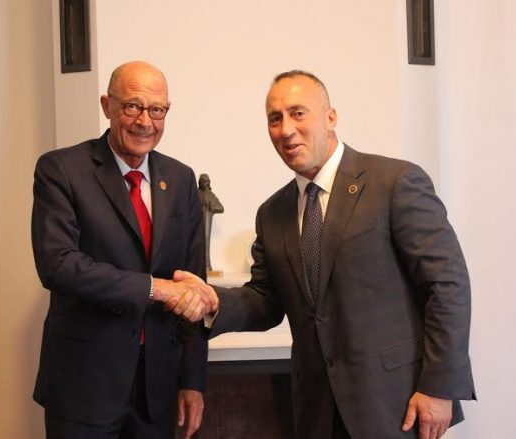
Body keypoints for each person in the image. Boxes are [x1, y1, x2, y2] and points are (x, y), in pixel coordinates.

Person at [177, 70, 475, 438]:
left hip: (394, 405)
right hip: (317, 411)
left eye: (298, 113)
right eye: (275, 119)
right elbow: (266, 301)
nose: (286, 129)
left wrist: (439, 387)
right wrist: (213, 302)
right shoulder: (272, 213)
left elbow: (447, 285)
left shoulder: (394, 182)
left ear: (330, 116)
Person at [31, 60, 217, 439]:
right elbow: (58, 265)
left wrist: (192, 380)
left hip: (158, 389)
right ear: (107, 106)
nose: (145, 121)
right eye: (133, 106)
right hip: (84, 386)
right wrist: (154, 288)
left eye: (157, 110)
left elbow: (192, 284)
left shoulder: (180, 179)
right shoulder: (62, 170)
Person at [197, 174, 224, 273]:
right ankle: (201, 266)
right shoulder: (196, 193)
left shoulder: (211, 195)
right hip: (196, 223)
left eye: (207, 181)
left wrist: (212, 207)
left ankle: (207, 265)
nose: (205, 183)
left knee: (206, 242)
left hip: (208, 220)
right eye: (203, 181)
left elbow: (220, 208)